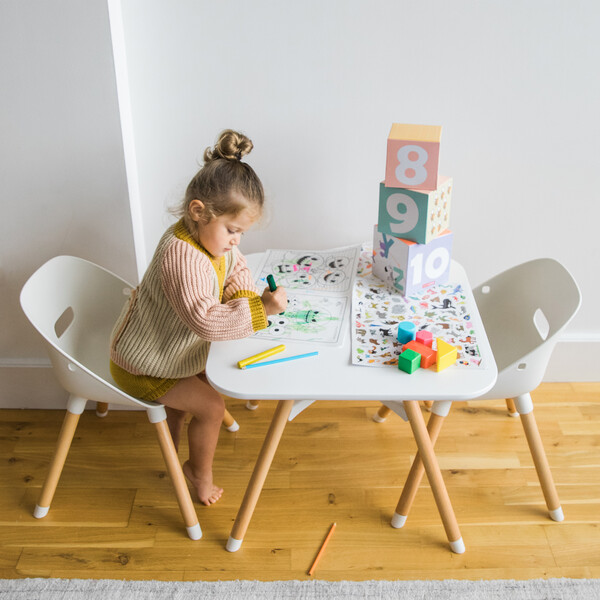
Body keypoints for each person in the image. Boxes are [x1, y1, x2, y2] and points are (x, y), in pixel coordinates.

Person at [110, 129, 287, 505]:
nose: (236, 240)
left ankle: (173, 447)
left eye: (241, 232)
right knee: (212, 407)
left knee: (206, 385)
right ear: (198, 211)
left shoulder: (211, 239)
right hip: (145, 363)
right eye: (233, 230)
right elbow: (207, 321)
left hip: (171, 352)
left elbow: (236, 267)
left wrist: (243, 294)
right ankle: (197, 473)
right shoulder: (182, 255)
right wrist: (260, 309)